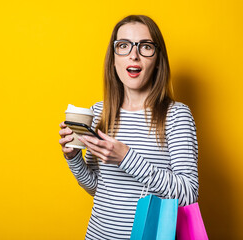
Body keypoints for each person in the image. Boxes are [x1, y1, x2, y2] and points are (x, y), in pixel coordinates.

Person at [58, 15, 198, 239]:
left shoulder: (176, 115)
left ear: (158, 59)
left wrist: (126, 158)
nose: (134, 55)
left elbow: (188, 194)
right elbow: (97, 188)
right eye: (123, 46)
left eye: (145, 46)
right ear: (113, 59)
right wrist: (73, 157)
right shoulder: (100, 112)